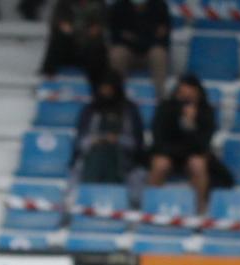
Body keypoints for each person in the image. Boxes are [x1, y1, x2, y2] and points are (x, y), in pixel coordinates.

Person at [146, 74, 227, 216]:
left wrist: (190, 125)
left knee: (199, 164)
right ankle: (150, 207)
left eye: (190, 94)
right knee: (160, 164)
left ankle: (200, 210)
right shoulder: (166, 107)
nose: (186, 98)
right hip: (168, 152)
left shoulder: (205, 112)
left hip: (193, 153)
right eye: (182, 93)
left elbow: (203, 144)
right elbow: (158, 136)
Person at [73, 72, 144, 186]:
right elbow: (79, 142)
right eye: (103, 89)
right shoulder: (90, 109)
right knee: (96, 156)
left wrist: (117, 140)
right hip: (92, 155)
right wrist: (94, 140)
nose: (106, 92)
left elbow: (137, 144)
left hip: (123, 157)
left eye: (109, 89)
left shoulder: (129, 110)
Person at [106, 0, 172, 95]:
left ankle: (162, 98)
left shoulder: (160, 6)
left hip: (150, 52)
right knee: (117, 53)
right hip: (128, 52)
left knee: (159, 54)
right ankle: (117, 96)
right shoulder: (118, 7)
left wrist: (133, 38)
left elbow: (164, 37)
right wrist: (147, 37)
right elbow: (115, 37)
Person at [40, 0, 108, 79]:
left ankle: (97, 77)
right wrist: (64, 26)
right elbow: (57, 20)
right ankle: (48, 73)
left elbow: (102, 22)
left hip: (89, 44)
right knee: (58, 38)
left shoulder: (99, 3)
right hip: (69, 43)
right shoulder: (64, 2)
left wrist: (94, 29)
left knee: (97, 45)